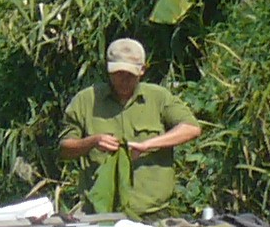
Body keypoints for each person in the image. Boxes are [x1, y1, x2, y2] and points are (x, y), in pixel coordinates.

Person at [57, 36, 205, 217]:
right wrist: (92, 142)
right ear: (108, 69)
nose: (124, 79)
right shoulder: (86, 101)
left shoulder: (158, 97)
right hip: (99, 212)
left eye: (130, 74)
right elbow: (64, 149)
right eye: (118, 73)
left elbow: (191, 128)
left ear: (142, 70)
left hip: (152, 212)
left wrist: (148, 145)